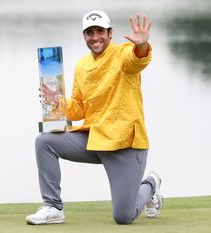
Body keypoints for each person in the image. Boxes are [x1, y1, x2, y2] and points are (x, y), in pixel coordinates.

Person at [26, 10, 163, 225]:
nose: (95, 37)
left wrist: (142, 46)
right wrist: (57, 101)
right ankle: (53, 207)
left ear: (110, 33)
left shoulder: (123, 53)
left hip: (126, 144)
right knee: (45, 141)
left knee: (123, 217)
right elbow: (79, 108)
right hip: (94, 139)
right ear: (84, 36)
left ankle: (151, 184)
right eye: (90, 32)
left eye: (100, 31)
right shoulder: (82, 66)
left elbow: (137, 60)